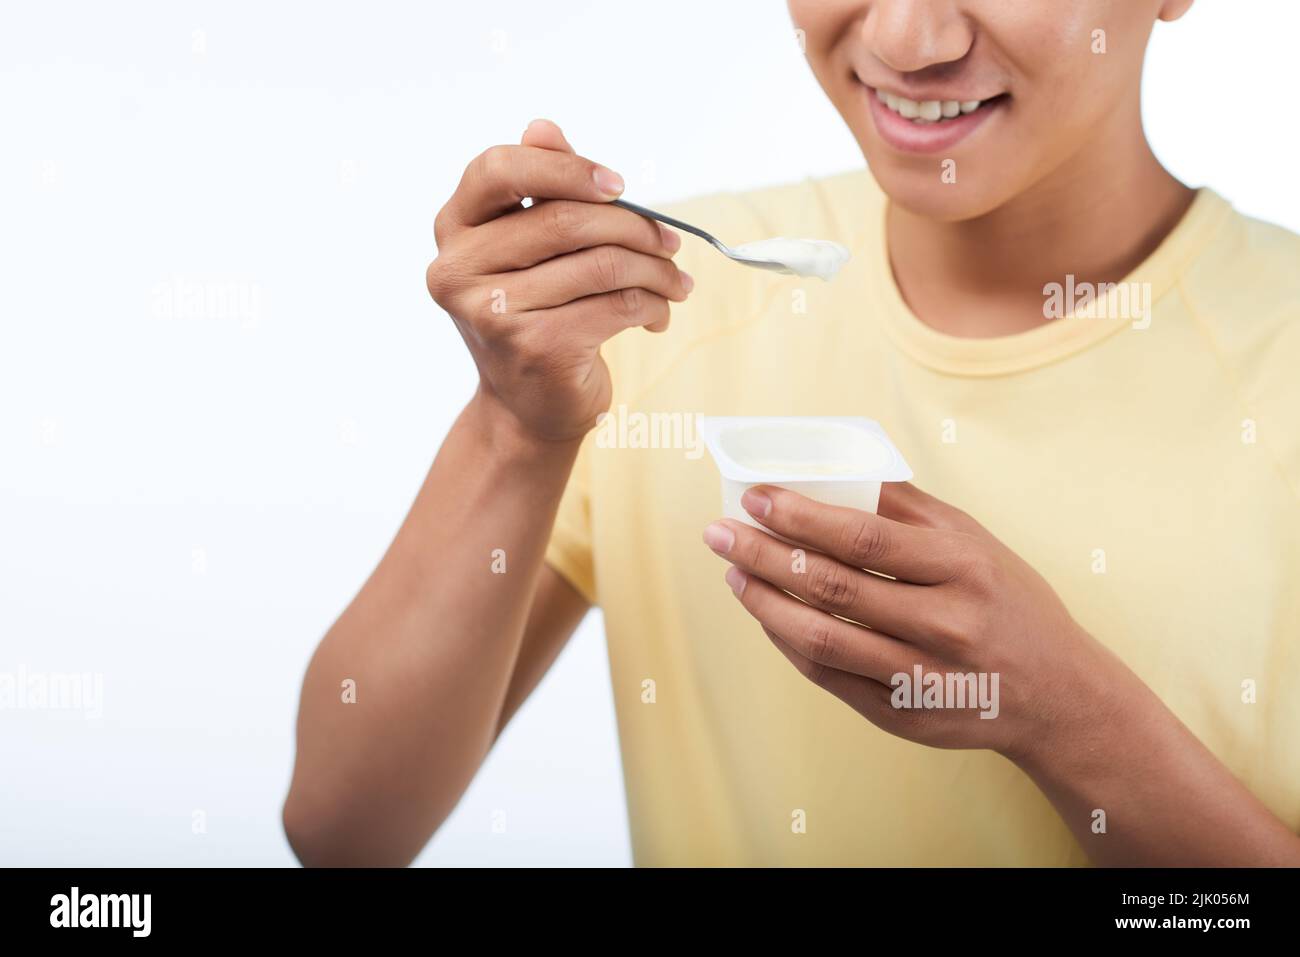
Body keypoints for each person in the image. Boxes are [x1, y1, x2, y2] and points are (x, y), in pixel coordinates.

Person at [283, 0, 1300, 866]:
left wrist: (1066, 717)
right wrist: (514, 429)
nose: (906, 38)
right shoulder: (650, 316)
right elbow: (344, 827)